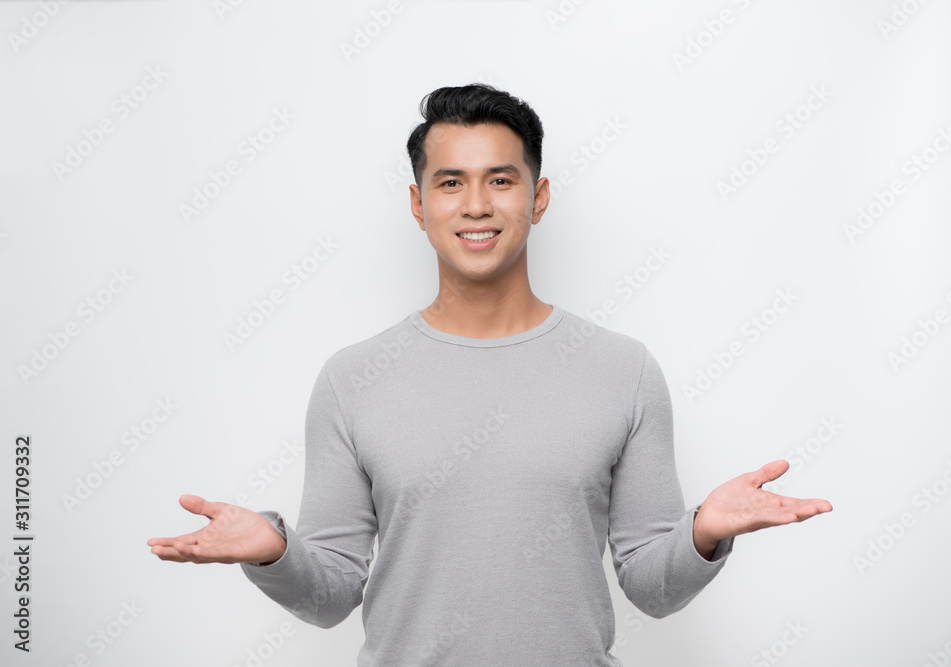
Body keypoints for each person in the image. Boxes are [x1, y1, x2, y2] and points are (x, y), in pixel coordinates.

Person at [147, 83, 833, 665]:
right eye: (451, 182)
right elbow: (329, 598)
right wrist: (273, 552)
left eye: (500, 179)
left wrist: (703, 531)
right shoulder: (351, 379)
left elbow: (652, 589)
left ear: (538, 198)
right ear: (418, 205)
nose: (476, 205)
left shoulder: (624, 370)